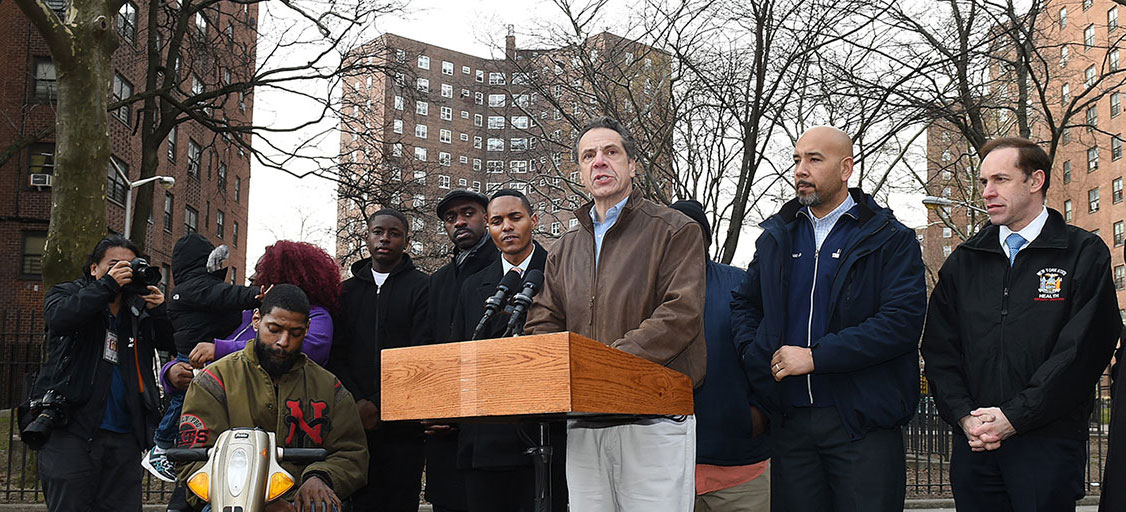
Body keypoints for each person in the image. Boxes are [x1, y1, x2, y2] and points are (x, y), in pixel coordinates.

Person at [731, 126, 926, 512]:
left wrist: (817, 356)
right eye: (797, 159)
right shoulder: (777, 236)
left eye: (814, 159)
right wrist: (757, 352)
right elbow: (744, 304)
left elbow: (901, 322)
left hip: (862, 424)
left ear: (845, 168)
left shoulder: (889, 237)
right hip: (790, 424)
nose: (801, 169)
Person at [921, 136, 1121, 512]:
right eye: (983, 182)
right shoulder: (965, 261)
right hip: (976, 448)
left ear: (1035, 181)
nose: (988, 192)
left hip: (1047, 449)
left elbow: (1081, 352)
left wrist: (1014, 416)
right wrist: (965, 416)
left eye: (1000, 180)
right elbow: (939, 350)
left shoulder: (1082, 253)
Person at [525, 116, 707, 511]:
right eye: (588, 155)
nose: (599, 162)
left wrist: (604, 368)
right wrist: (573, 373)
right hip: (583, 421)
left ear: (632, 164)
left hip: (653, 417)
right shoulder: (562, 248)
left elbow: (680, 313)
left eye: (611, 152)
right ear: (580, 171)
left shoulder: (675, 229)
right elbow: (542, 323)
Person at [177, 284, 368, 512]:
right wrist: (261, 499)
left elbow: (352, 453)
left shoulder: (329, 387)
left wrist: (321, 477)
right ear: (256, 320)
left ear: (307, 329)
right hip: (231, 500)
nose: (283, 342)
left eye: (295, 333)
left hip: (305, 501)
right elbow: (191, 460)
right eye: (274, 329)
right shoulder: (214, 381)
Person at [30, 235, 175, 511]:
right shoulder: (68, 293)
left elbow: (172, 344)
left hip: (125, 436)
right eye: (114, 264)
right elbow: (59, 319)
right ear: (94, 268)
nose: (123, 271)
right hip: (71, 430)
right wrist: (107, 287)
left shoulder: (138, 308)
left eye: (130, 266)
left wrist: (159, 313)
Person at [448, 189, 566, 512]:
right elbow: (460, 353)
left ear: (534, 220)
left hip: (545, 440)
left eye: (516, 218)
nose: (507, 228)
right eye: (497, 221)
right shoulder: (473, 285)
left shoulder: (560, 272)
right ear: (488, 226)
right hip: (484, 444)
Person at [669, 200, 770, 512]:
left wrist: (759, 411)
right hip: (665, 475)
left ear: (706, 239)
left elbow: (771, 351)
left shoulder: (741, 286)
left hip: (740, 472)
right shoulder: (641, 292)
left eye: (690, 231)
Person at [329, 209, 431, 512]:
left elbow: (420, 352)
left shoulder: (422, 287)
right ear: (367, 236)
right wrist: (357, 401)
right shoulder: (344, 292)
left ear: (406, 240)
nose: (385, 239)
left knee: (400, 500)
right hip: (353, 421)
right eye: (378, 232)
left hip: (403, 426)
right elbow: (336, 354)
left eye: (394, 233)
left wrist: (378, 402)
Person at [145, 233, 263, 486]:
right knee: (183, 401)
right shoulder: (200, 288)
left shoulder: (195, 290)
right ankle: (161, 447)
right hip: (195, 357)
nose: (252, 277)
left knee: (187, 401)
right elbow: (226, 295)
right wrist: (257, 294)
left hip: (206, 361)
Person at [425, 189, 497, 512]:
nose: (459, 222)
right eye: (451, 218)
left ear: (485, 217)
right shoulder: (438, 281)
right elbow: (428, 351)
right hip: (443, 427)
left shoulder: (504, 267)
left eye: (467, 213)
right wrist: (434, 408)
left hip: (491, 427)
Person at [195, 240, 341, 366]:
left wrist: (221, 350)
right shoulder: (248, 313)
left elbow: (303, 350)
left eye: (260, 271)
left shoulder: (318, 317)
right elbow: (200, 341)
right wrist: (173, 371)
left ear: (285, 277)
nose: (252, 277)